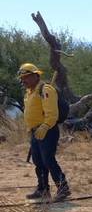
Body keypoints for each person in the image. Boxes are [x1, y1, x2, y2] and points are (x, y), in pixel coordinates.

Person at [18, 63, 70, 201]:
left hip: (48, 131)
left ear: (36, 76)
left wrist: (45, 126)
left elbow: (52, 113)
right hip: (35, 132)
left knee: (48, 160)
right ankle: (42, 189)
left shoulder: (46, 89)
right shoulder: (30, 92)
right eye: (22, 78)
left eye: (26, 77)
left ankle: (63, 188)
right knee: (38, 162)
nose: (24, 80)